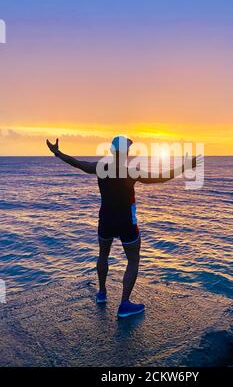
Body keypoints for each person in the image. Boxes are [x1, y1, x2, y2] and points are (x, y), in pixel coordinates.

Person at [46, 136, 197, 318]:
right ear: (127, 152)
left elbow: (76, 162)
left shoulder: (100, 167)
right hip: (126, 222)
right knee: (133, 260)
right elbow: (161, 178)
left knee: (103, 254)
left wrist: (57, 152)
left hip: (106, 220)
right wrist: (185, 166)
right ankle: (124, 304)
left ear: (112, 150)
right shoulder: (131, 172)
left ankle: (101, 293)